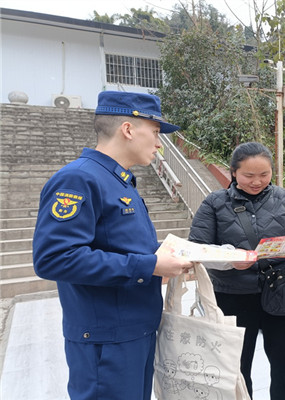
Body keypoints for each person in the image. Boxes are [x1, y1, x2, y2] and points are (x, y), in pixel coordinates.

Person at [32, 91, 194, 400]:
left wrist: (170, 254)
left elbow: (120, 246)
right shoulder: (78, 180)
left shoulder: (119, 180)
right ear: (128, 129)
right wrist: (150, 265)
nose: (159, 144)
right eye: (156, 132)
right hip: (106, 339)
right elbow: (54, 258)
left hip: (134, 330)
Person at [188, 142, 285, 399]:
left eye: (264, 174)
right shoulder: (214, 203)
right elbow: (197, 249)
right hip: (232, 296)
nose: (257, 181)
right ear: (233, 172)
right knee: (235, 371)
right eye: (248, 175)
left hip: (284, 293)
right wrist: (230, 259)